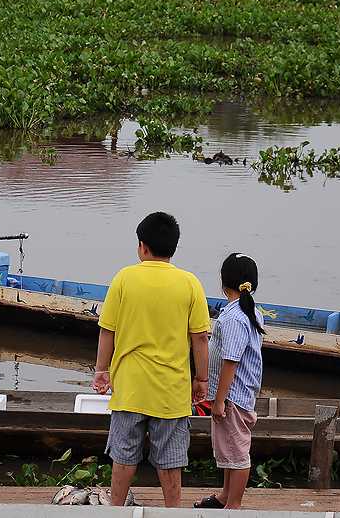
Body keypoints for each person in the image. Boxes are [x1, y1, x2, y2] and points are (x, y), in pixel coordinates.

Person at [93, 212, 210, 507]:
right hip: (171, 391)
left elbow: (108, 331)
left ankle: (116, 510)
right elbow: (200, 338)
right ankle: (174, 512)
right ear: (173, 247)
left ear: (142, 247)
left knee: (123, 456)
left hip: (131, 388)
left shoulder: (124, 278)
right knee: (170, 461)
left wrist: (101, 370)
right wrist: (202, 379)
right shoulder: (190, 283)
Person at [194, 253, 265, 510]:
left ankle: (233, 505)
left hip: (232, 396)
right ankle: (225, 494)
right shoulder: (249, 311)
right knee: (227, 448)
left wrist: (220, 400)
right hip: (235, 393)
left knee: (237, 452)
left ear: (224, 284)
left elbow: (231, 361)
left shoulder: (235, 318)